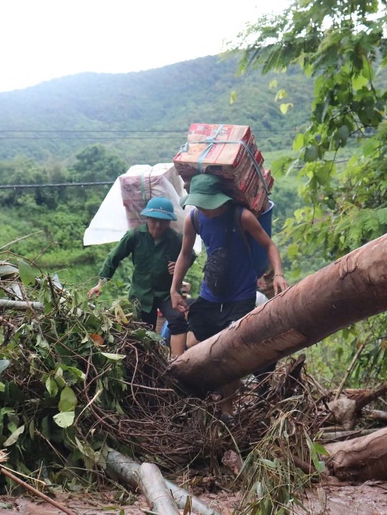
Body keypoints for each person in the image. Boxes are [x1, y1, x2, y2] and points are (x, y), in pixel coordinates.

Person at [170, 173, 289, 416]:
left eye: (208, 204)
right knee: (193, 343)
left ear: (220, 200)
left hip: (240, 296)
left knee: (231, 352)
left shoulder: (241, 216)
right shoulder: (194, 218)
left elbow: (269, 245)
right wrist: (174, 288)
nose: (205, 209)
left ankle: (227, 410)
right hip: (210, 295)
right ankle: (205, 393)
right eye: (200, 204)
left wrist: (278, 274)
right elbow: (185, 254)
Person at [88, 196, 190, 356]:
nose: (158, 225)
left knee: (177, 319)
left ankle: (178, 361)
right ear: (147, 218)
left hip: (166, 293)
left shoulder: (176, 239)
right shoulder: (134, 236)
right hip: (141, 293)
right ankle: (150, 360)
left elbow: (188, 256)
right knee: (144, 330)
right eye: (154, 220)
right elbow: (113, 258)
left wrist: (179, 266)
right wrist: (101, 284)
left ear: (169, 222)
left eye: (163, 221)